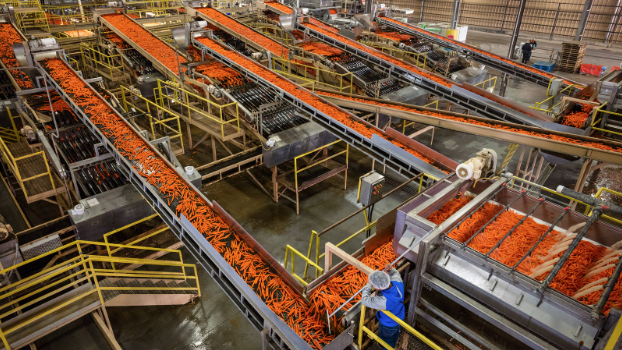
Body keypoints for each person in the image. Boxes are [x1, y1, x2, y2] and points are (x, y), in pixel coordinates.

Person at [360, 264, 405, 348]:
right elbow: (395, 273)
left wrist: (368, 285)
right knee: (394, 336)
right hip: (400, 317)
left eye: (374, 286)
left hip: (388, 324)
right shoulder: (397, 282)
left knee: (386, 341)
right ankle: (393, 344)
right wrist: (390, 270)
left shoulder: (383, 301)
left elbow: (365, 300)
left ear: (380, 289)